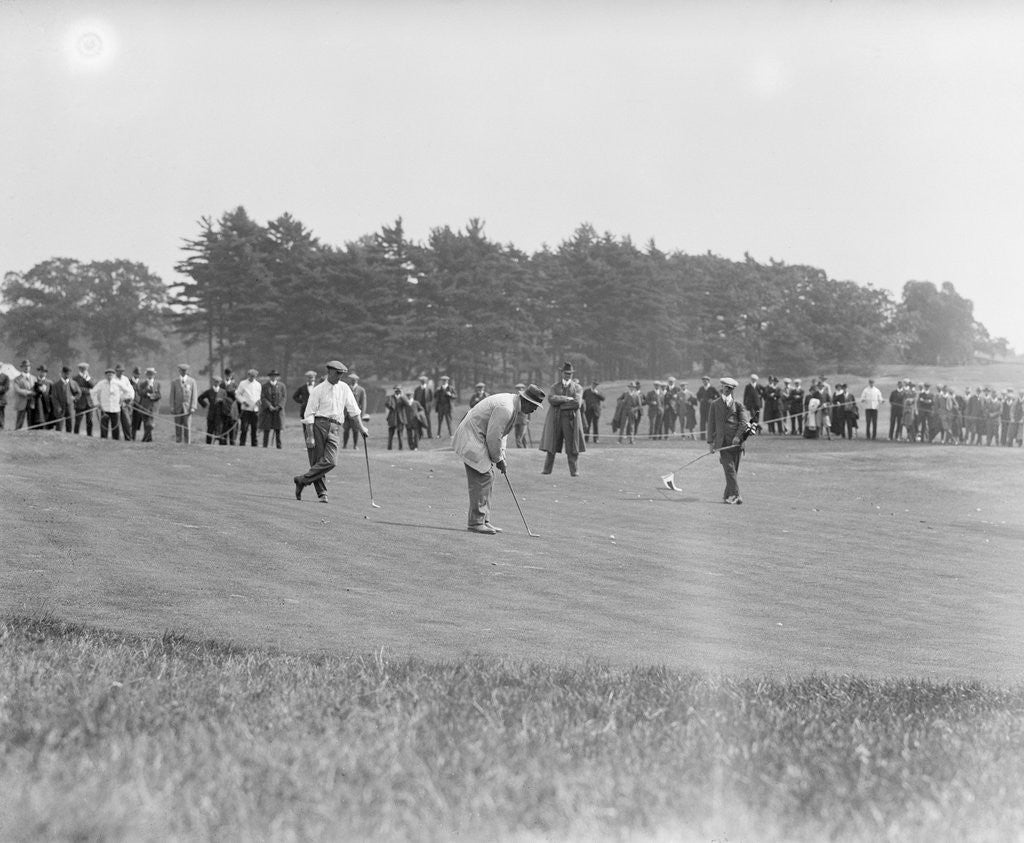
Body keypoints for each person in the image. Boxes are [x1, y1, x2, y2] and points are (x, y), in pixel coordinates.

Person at [453, 383, 546, 534]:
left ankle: (484, 521)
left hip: (478, 437)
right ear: (527, 401)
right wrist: (498, 459)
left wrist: (501, 457)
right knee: (484, 476)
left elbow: (502, 435)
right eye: (534, 406)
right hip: (471, 437)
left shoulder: (513, 406)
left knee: (488, 476)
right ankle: (476, 523)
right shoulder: (506, 408)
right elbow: (493, 436)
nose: (534, 410)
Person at [293, 360, 367, 504]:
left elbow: (354, 410)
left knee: (331, 461)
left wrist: (361, 428)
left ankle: (302, 480)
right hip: (319, 425)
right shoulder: (318, 389)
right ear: (329, 372)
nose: (340, 377)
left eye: (342, 374)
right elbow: (309, 414)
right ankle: (322, 493)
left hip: (335, 427)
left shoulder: (344, 388)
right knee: (317, 459)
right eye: (337, 374)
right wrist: (310, 436)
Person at [706, 376, 753, 504]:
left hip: (736, 444)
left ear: (733, 390)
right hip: (722, 444)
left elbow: (744, 423)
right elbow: (711, 425)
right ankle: (737, 495)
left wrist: (738, 437)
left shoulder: (738, 405)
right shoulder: (715, 404)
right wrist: (710, 443)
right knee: (730, 470)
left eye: (730, 388)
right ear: (721, 387)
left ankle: (727, 496)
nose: (727, 390)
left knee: (733, 472)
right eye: (725, 387)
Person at [539, 362, 585, 476]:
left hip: (571, 421)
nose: (568, 375)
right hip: (555, 420)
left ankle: (574, 471)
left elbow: (577, 404)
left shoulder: (578, 387)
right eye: (566, 373)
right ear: (562, 373)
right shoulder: (555, 386)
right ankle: (547, 470)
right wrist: (566, 398)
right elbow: (551, 399)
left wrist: (560, 404)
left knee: (572, 446)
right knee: (551, 445)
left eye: (570, 373)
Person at [91, 367, 132, 439]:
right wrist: (96, 403)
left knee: (115, 426)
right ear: (105, 375)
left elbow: (128, 391)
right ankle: (103, 439)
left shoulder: (118, 383)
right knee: (104, 427)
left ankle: (115, 440)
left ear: (113, 375)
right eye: (108, 374)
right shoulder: (101, 383)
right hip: (104, 409)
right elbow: (93, 392)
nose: (109, 376)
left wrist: (122, 399)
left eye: (111, 374)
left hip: (115, 408)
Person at [197, 374, 229, 444]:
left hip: (220, 415)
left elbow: (227, 402)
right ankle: (208, 445)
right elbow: (200, 398)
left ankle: (220, 447)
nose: (216, 383)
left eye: (218, 382)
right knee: (209, 431)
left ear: (220, 383)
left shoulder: (223, 392)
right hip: (211, 415)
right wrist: (205, 405)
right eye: (215, 381)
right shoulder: (209, 391)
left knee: (220, 431)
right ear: (213, 382)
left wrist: (222, 401)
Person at [169, 364, 197, 444]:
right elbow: (172, 395)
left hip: (187, 409)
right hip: (177, 408)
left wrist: (193, 407)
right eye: (182, 370)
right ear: (179, 371)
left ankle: (187, 443)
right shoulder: (174, 382)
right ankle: (178, 442)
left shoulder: (192, 381)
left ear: (187, 371)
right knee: (178, 426)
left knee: (187, 427)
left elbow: (194, 395)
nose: (183, 372)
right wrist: (172, 407)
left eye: (185, 371)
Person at [259, 369, 286, 448]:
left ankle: (279, 446)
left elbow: (284, 397)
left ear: (277, 377)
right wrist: (269, 405)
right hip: (268, 411)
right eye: (272, 376)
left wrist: (279, 406)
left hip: (278, 411)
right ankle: (265, 446)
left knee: (278, 430)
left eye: (275, 376)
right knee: (266, 429)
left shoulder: (282, 386)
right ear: (270, 377)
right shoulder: (265, 386)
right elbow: (263, 397)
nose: (273, 377)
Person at [50, 366, 81, 433]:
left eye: (69, 373)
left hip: (70, 407)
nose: (67, 375)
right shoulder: (56, 385)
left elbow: (79, 393)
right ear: (62, 373)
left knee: (69, 426)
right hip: (60, 408)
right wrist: (58, 407)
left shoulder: (73, 383)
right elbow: (54, 398)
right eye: (66, 373)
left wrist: (74, 398)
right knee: (59, 427)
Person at [134, 367, 162, 442]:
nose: (150, 375)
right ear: (146, 375)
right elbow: (140, 393)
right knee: (146, 423)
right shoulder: (142, 383)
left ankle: (145, 438)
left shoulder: (157, 383)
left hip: (153, 407)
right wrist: (147, 392)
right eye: (149, 374)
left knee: (150, 424)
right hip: (144, 406)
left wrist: (154, 396)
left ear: (154, 375)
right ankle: (148, 438)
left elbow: (159, 395)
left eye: (152, 374)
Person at [236, 368, 261, 446]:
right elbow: (237, 394)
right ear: (248, 375)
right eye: (251, 376)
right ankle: (242, 443)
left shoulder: (258, 384)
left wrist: (259, 401)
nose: (252, 378)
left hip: (255, 409)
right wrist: (243, 401)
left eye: (254, 376)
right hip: (246, 409)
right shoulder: (243, 383)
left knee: (254, 428)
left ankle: (254, 444)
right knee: (244, 428)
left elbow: (258, 396)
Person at [342, 373, 368, 449]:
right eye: (351, 379)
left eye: (354, 380)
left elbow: (363, 403)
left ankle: (355, 445)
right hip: (346, 414)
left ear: (357, 380)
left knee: (356, 430)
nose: (352, 381)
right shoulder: (346, 388)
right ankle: (344, 445)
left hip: (356, 414)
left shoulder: (361, 390)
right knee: (346, 430)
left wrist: (362, 414)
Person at [13, 360, 37, 430]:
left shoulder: (34, 378)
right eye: (25, 366)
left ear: (30, 367)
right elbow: (17, 390)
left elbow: (36, 389)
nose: (26, 368)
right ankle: (17, 432)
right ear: (22, 367)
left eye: (28, 366)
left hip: (31, 402)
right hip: (21, 402)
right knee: (19, 420)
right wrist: (28, 392)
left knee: (31, 420)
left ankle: (31, 432)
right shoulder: (17, 379)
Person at [384, 385, 411, 450]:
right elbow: (387, 404)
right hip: (392, 418)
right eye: (396, 390)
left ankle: (401, 448)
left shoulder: (402, 398)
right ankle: (389, 448)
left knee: (400, 434)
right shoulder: (391, 397)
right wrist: (391, 398)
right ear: (394, 391)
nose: (398, 391)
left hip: (400, 418)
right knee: (391, 434)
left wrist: (402, 396)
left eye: (399, 390)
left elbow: (408, 404)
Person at [72, 362, 95, 435]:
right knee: (78, 421)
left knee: (89, 421)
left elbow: (93, 387)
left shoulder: (89, 378)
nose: (84, 370)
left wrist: (87, 379)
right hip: (79, 402)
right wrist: (87, 390)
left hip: (89, 403)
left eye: (85, 369)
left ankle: (89, 435)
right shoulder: (75, 378)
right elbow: (75, 389)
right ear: (80, 369)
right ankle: (76, 434)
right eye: (83, 369)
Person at [112, 364, 134, 440]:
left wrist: (129, 399)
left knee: (127, 422)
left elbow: (131, 391)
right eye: (119, 371)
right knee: (115, 422)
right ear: (116, 371)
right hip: (115, 404)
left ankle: (128, 438)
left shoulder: (125, 379)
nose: (121, 373)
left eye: (122, 371)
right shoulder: (112, 379)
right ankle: (116, 439)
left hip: (125, 404)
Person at [33, 365, 55, 429]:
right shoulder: (34, 380)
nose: (43, 373)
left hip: (46, 404)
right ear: (38, 372)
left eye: (44, 372)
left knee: (46, 420)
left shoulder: (50, 382)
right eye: (41, 371)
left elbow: (52, 394)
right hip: (36, 403)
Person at [221, 368, 240, 445]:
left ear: (231, 375)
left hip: (233, 409)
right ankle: (223, 443)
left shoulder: (235, 385)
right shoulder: (221, 385)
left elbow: (238, 398)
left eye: (229, 375)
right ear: (225, 375)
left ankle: (233, 443)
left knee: (233, 430)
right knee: (224, 428)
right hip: (223, 409)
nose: (228, 376)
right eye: (227, 375)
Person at [413, 373, 434, 439]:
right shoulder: (417, 389)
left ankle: (429, 435)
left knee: (428, 421)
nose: (422, 382)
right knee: (419, 420)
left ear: (426, 381)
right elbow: (415, 399)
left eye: (424, 381)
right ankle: (420, 434)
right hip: (419, 408)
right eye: (421, 381)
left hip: (426, 408)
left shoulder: (429, 389)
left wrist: (429, 408)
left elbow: (431, 400)